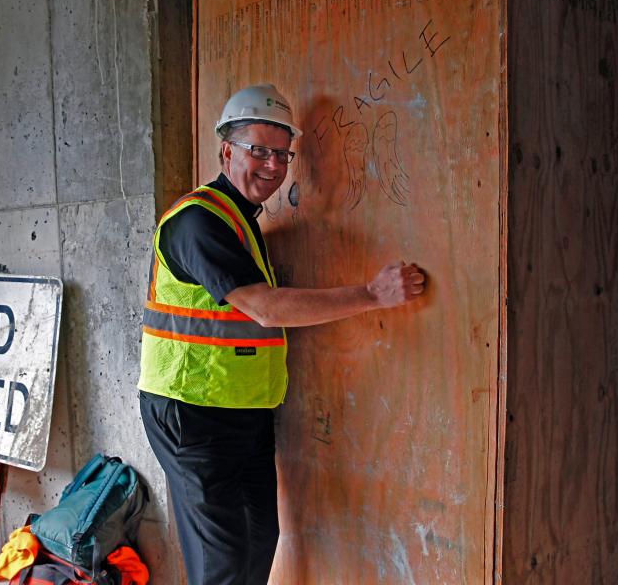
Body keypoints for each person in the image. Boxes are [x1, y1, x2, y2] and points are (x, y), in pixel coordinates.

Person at [138, 84, 426, 585]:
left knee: (257, 541)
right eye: (259, 151)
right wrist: (372, 296)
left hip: (243, 411)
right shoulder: (197, 222)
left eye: (282, 154)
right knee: (223, 563)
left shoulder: (243, 225)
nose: (273, 166)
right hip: (192, 413)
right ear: (227, 150)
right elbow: (265, 310)